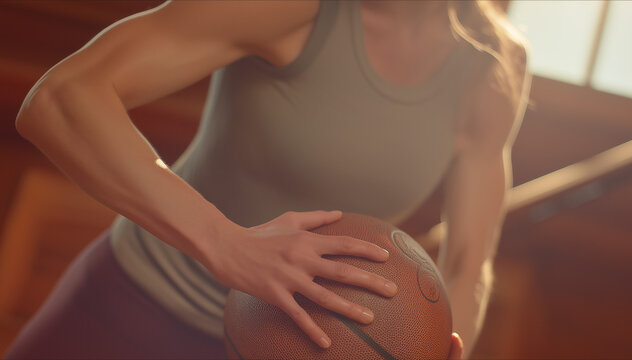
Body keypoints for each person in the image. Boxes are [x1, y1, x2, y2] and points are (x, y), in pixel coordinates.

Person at [7, 0, 529, 359]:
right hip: (136, 311)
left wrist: (432, 346)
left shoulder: (493, 66)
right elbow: (60, 100)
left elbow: (467, 261)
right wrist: (225, 243)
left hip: (296, 351)